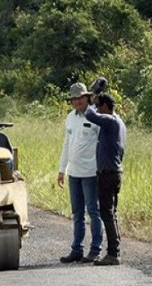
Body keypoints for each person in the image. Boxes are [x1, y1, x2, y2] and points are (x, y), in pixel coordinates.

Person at [57, 82, 103, 264]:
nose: (77, 102)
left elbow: (103, 143)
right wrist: (62, 169)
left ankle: (95, 249)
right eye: (74, 99)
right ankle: (77, 249)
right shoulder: (70, 118)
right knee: (77, 213)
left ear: (87, 98)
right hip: (74, 172)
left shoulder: (95, 116)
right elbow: (66, 145)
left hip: (91, 172)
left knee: (93, 211)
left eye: (80, 98)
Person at [85, 92, 127, 266]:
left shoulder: (110, 121)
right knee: (111, 213)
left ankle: (112, 253)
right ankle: (114, 250)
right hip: (114, 172)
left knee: (106, 213)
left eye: (98, 106)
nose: (97, 109)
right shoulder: (118, 124)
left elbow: (89, 114)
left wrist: (92, 96)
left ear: (104, 107)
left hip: (108, 174)